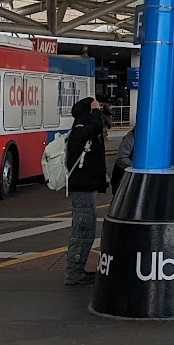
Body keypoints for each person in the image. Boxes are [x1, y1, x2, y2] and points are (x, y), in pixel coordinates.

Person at [65, 96, 107, 287]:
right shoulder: (80, 132)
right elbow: (98, 126)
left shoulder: (83, 132)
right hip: (82, 191)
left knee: (86, 231)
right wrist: (96, 110)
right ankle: (74, 272)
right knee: (82, 232)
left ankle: (77, 270)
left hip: (86, 189)